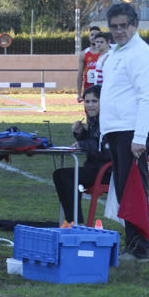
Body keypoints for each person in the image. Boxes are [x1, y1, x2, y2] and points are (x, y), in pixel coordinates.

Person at [99, 2, 149, 262]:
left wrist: (139, 138)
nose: (119, 31)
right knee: (123, 192)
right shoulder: (116, 52)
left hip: (132, 132)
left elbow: (147, 98)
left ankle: (139, 249)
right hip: (117, 131)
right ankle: (133, 245)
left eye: (124, 26)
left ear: (135, 25)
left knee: (133, 192)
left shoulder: (140, 54)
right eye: (114, 26)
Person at [53, 85, 111, 225]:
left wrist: (83, 144)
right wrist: (81, 133)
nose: (90, 105)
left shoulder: (109, 121)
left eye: (94, 101)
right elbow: (95, 141)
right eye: (87, 101)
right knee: (58, 174)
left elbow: (107, 151)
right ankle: (71, 221)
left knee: (68, 176)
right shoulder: (94, 119)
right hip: (95, 167)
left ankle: (76, 222)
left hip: (108, 171)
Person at [76, 25, 103, 102]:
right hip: (88, 86)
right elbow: (80, 75)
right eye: (92, 35)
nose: (93, 37)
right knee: (90, 109)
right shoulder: (83, 54)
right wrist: (79, 94)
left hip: (101, 86)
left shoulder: (104, 53)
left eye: (96, 35)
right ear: (89, 37)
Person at [80, 32, 111, 99]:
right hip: (98, 89)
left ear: (108, 43)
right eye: (97, 42)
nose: (98, 44)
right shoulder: (100, 56)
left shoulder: (108, 57)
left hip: (105, 91)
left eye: (101, 42)